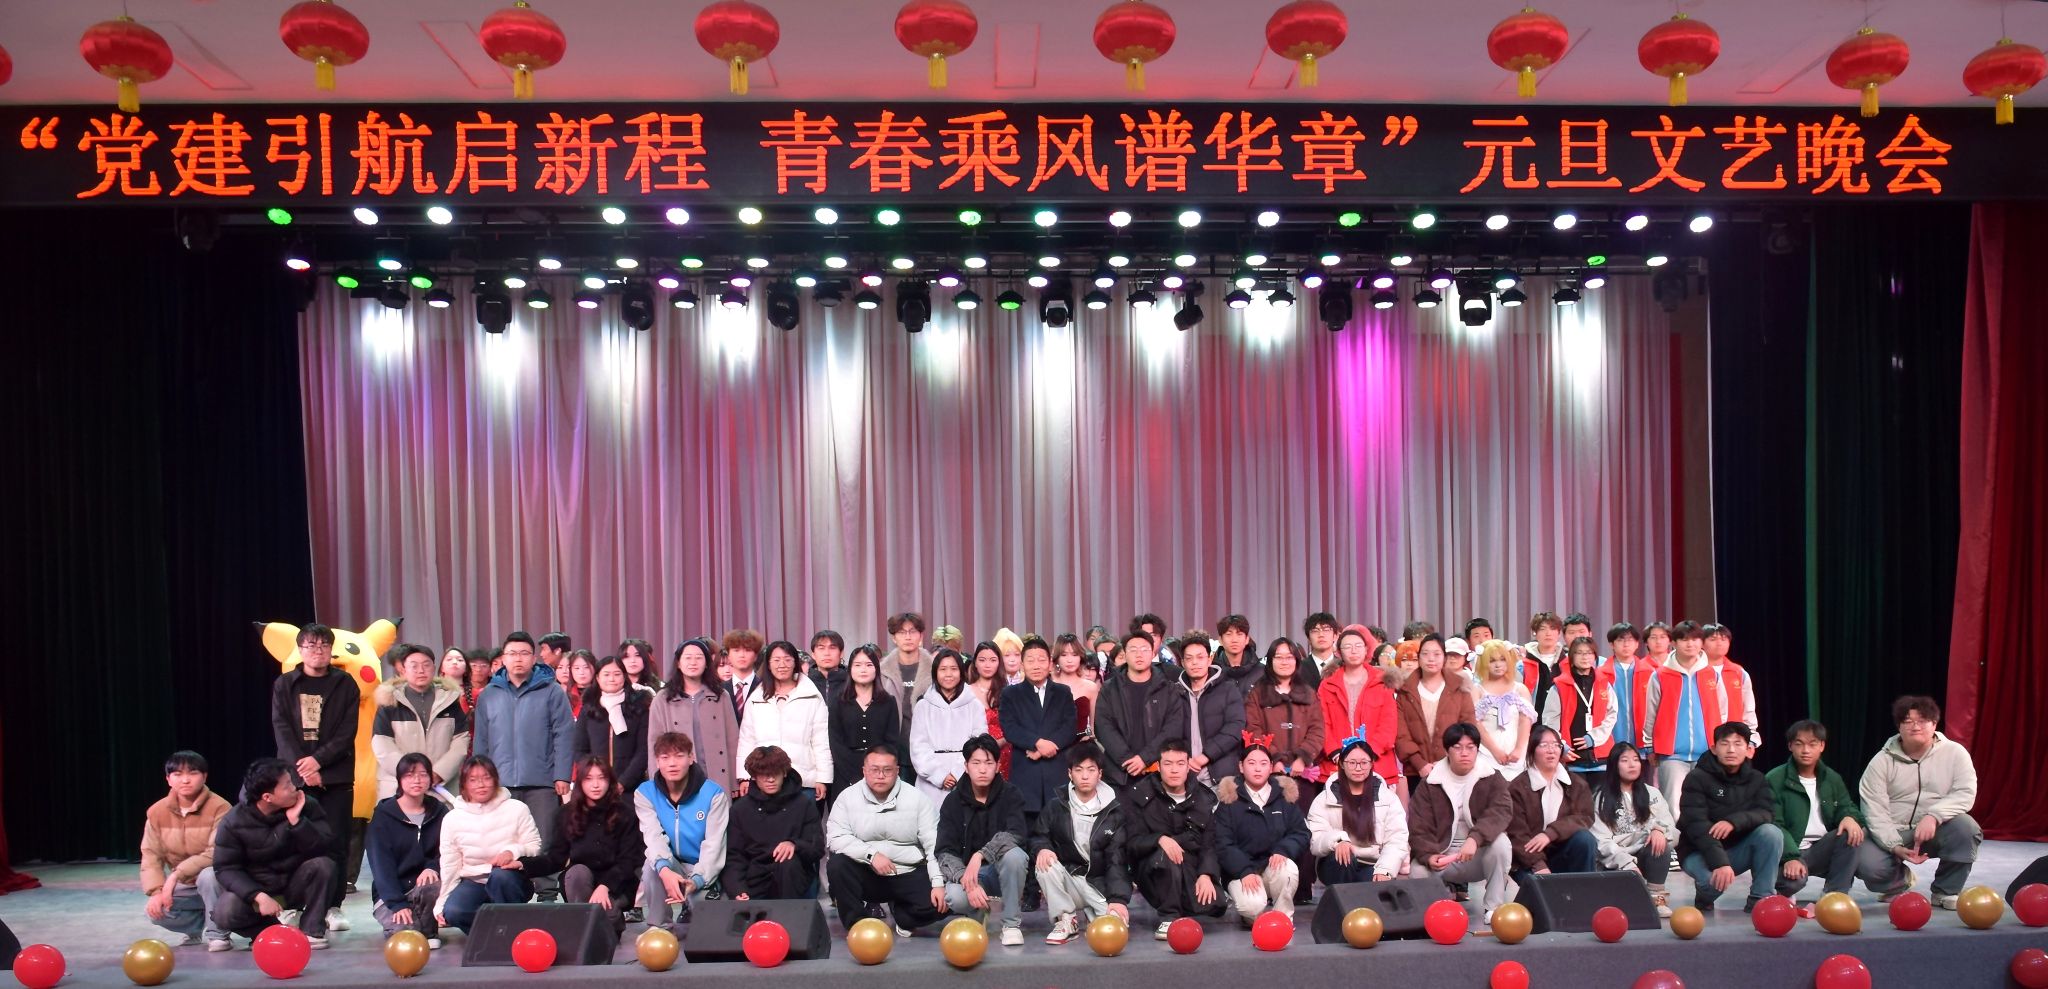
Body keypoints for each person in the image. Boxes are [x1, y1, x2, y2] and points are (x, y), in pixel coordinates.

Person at [267, 622, 359, 930]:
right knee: (293, 840)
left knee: (336, 841)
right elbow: (281, 729)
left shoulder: (345, 683)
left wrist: (318, 762)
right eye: (310, 645)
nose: (317, 650)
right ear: (300, 649)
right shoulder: (285, 684)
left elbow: (347, 731)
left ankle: (333, 906)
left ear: (331, 650)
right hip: (294, 779)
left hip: (336, 776)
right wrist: (303, 770)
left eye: (323, 645)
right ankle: (292, 904)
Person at [1858, 695, 1982, 910]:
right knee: (1863, 860)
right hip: (1893, 830)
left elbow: (1965, 792)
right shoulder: (1881, 761)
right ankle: (1899, 882)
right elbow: (1873, 809)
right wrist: (1894, 845)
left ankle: (1946, 891)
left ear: (1934, 724)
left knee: (1966, 828)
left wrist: (1934, 816)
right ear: (1899, 726)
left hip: (1936, 829)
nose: (1915, 726)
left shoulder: (1955, 753)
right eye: (1908, 721)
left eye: (1922, 720)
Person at [211, 758, 339, 949]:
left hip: (294, 884)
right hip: (258, 889)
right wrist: (259, 896)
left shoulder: (307, 805)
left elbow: (326, 848)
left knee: (324, 865)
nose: (295, 788)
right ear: (267, 797)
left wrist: (298, 823)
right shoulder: (233, 821)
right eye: (287, 785)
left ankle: (311, 931)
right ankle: (271, 932)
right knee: (225, 912)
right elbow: (226, 868)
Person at [470, 631, 576, 857]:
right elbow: (481, 739)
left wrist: (562, 775)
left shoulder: (552, 691)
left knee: (543, 841)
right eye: (512, 653)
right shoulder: (489, 694)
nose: (518, 658)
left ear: (534, 658)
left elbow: (564, 735)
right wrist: (479, 777)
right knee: (502, 841)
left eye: (524, 653)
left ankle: (546, 881)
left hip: (542, 782)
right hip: (500, 782)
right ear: (503, 658)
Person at [825, 746, 947, 937]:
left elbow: (934, 845)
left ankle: (904, 915)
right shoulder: (847, 798)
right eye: (874, 770)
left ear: (897, 771)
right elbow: (836, 837)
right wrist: (871, 855)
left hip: (908, 871)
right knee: (837, 865)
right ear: (864, 770)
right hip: (867, 872)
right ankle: (858, 926)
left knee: (945, 901)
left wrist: (938, 883)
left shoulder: (918, 799)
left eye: (887, 770)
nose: (880, 776)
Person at [1409, 723, 1516, 922]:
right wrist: (1428, 854)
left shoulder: (1492, 777)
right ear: (1447, 751)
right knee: (1417, 870)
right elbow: (1418, 826)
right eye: (1457, 747)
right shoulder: (1430, 783)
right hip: (1442, 855)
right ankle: (1435, 914)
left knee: (1501, 844)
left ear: (1477, 750)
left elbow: (1500, 812)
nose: (1464, 753)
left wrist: (1475, 839)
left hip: (1477, 853)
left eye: (1470, 747)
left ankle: (1493, 908)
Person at [525, 757, 642, 934]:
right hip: (580, 883)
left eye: (601, 778)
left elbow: (629, 860)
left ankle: (607, 920)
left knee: (607, 922)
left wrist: (605, 886)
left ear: (610, 781)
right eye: (589, 779)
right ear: (580, 782)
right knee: (577, 872)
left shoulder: (625, 813)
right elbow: (555, 859)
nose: (595, 785)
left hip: (617, 883)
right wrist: (523, 864)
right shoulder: (566, 813)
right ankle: (586, 923)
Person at [1678, 721, 1783, 912]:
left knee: (1771, 833)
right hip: (1698, 851)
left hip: (1737, 849)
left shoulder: (1757, 779)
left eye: (1737, 743)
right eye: (1725, 744)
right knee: (1712, 885)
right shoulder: (1696, 778)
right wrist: (1720, 863)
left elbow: (1766, 813)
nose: (1731, 750)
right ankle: (1704, 894)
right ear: (1714, 748)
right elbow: (1696, 825)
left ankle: (1761, 899)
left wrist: (1734, 822)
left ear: (1749, 749)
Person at [1032, 744, 1132, 945]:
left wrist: (1118, 900)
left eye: (1091, 770)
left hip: (1098, 885)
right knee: (1045, 864)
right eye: (1079, 770)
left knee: (1114, 930)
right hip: (1068, 879)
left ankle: (1092, 911)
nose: (1085, 776)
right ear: (1070, 774)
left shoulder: (1114, 812)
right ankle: (1066, 919)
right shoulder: (1056, 806)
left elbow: (1117, 859)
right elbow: (1038, 836)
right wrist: (1042, 848)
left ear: (1100, 774)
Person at [1124, 740, 1223, 938]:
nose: (1174, 770)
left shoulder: (1202, 798)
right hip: (1153, 868)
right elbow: (1131, 843)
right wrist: (1159, 839)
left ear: (1188, 766)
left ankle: (1182, 905)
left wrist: (1206, 874)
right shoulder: (1141, 794)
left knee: (1214, 903)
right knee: (1166, 854)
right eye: (1168, 764)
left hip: (1190, 865)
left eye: (1180, 763)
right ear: (1158, 766)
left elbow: (1209, 844)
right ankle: (1168, 917)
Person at [938, 735, 1030, 945]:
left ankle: (1011, 925)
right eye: (976, 763)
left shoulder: (1011, 794)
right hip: (969, 875)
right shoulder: (952, 801)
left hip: (1001, 873)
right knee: (954, 897)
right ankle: (978, 912)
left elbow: (1016, 834)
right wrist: (966, 880)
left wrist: (980, 855)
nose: (982, 770)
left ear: (997, 766)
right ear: (966, 767)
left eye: (988, 763)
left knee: (1015, 856)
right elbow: (944, 851)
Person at [433, 755, 541, 933]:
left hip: (510, 880)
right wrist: (441, 901)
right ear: (464, 784)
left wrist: (512, 852)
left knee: (500, 876)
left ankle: (512, 932)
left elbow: (534, 846)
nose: (481, 784)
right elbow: (450, 865)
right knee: (453, 911)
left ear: (495, 780)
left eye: (486, 778)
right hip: (474, 882)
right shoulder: (452, 819)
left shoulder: (516, 808)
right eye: (473, 780)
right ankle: (492, 936)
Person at [1767, 719, 1870, 905]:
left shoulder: (1831, 778)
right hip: (1790, 850)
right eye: (1799, 744)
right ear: (1790, 746)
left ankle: (1834, 897)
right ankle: (1782, 891)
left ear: (1822, 746)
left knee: (1851, 832)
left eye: (1812, 744)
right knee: (1792, 882)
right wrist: (1790, 857)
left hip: (1820, 849)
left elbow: (1846, 806)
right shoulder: (1775, 779)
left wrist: (1849, 817)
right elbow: (1774, 824)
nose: (1805, 750)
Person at [636, 732, 730, 928]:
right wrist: (665, 871)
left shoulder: (713, 794)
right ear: (657, 762)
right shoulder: (645, 793)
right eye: (665, 757)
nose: (672, 763)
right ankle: (659, 927)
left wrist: (696, 880)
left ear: (691, 758)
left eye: (679, 756)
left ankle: (692, 907)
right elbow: (653, 837)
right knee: (652, 866)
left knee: (712, 927)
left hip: (702, 869)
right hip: (671, 865)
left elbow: (714, 846)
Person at [142, 750, 231, 948]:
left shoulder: (220, 807)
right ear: (168, 779)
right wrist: (156, 892)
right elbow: (151, 855)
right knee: (155, 911)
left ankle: (218, 934)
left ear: (204, 777)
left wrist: (175, 876)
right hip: (186, 884)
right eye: (177, 774)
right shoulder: (157, 812)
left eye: (192, 773)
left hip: (219, 880)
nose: (185, 780)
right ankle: (196, 927)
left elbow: (216, 853)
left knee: (208, 876)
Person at [1213, 743, 1310, 922]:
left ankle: (1283, 919)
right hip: (1241, 873)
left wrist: (1283, 850)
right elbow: (1222, 843)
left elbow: (1301, 833)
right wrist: (1244, 870)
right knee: (1251, 907)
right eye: (1251, 763)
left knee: (1287, 869)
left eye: (1263, 763)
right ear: (1241, 766)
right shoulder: (1229, 800)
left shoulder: (1283, 797)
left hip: (1272, 868)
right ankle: (1254, 918)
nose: (1258, 769)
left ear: (1271, 767)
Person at [721, 746, 825, 901]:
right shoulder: (740, 809)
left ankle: (789, 914)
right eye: (764, 774)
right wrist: (737, 889)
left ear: (784, 773)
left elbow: (817, 847)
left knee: (788, 860)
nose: (770, 779)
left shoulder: (803, 804)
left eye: (775, 773)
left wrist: (794, 844)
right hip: (754, 880)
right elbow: (734, 856)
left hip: (793, 880)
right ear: (754, 776)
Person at [999, 635, 1079, 829]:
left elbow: (1070, 726)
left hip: (1057, 771)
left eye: (1041, 660)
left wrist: (1048, 747)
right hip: (1025, 773)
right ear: (1022, 664)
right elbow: (1009, 728)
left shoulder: (1063, 692)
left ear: (1050, 663)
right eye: (1030, 660)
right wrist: (1037, 743)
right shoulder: (1010, 694)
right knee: (1026, 833)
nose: (1036, 665)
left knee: (1060, 831)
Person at [366, 753, 446, 946]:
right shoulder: (384, 816)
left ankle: (429, 931)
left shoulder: (440, 812)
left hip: (423, 890)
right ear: (400, 780)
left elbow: (449, 850)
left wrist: (433, 867)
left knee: (433, 883)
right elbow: (381, 865)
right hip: (392, 894)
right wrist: (397, 903)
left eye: (423, 774)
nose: (417, 780)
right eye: (409, 775)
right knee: (406, 939)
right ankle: (408, 924)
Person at [1306, 736, 1409, 886]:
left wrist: (1385, 870)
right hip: (1337, 861)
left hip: (1374, 863)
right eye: (1352, 763)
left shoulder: (1388, 798)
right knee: (1343, 858)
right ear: (1342, 764)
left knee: (1372, 887)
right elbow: (1316, 837)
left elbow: (1397, 838)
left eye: (1364, 763)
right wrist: (1338, 841)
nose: (1358, 768)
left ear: (1371, 764)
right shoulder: (1325, 798)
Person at [736, 641, 832, 800]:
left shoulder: (812, 696)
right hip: (764, 778)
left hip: (803, 780)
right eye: (776, 660)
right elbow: (747, 739)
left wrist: (823, 778)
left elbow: (821, 740)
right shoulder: (756, 698)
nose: (782, 665)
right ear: (768, 664)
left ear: (795, 663)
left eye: (787, 660)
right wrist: (744, 776)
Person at [372, 644, 470, 800]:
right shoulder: (390, 701)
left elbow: (461, 740)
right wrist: (410, 774)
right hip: (397, 789)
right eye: (414, 666)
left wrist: (438, 772)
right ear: (404, 670)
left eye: (426, 665)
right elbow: (382, 744)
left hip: (441, 789)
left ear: (434, 668)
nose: (421, 670)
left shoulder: (450, 700)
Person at [1095, 630, 1189, 789]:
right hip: (1118, 773)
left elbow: (1173, 728)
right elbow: (1103, 727)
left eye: (1144, 649)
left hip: (1157, 772)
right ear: (1124, 654)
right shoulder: (1110, 688)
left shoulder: (1168, 689)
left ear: (1153, 653)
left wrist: (1145, 758)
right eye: (1133, 650)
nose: (1139, 654)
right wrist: (1127, 759)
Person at [1590, 743, 1676, 916]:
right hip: (1615, 860)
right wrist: (1626, 863)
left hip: (1643, 851)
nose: (1632, 765)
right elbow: (1601, 842)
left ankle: (1657, 899)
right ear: (1614, 765)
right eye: (1625, 760)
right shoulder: (1600, 798)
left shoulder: (1652, 793)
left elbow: (1669, 824)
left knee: (1661, 844)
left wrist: (1658, 830)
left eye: (1636, 760)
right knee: (1625, 909)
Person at [1642, 621, 1718, 811]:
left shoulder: (1712, 674)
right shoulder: (1660, 675)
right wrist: (1649, 745)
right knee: (1673, 807)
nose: (1690, 644)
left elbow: (1722, 712)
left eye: (1695, 639)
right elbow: (1651, 712)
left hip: (1708, 752)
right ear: (1674, 643)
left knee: (1708, 805)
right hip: (1672, 753)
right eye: (1684, 640)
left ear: (1701, 642)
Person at [1505, 725, 1598, 877]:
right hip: (1527, 859)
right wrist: (1538, 865)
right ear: (1532, 750)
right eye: (1544, 745)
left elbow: (1584, 817)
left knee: (1585, 839)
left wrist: (1550, 834)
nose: (1551, 750)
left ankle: (1584, 889)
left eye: (1556, 745)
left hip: (1562, 854)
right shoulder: (1518, 787)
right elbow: (1517, 835)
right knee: (1541, 889)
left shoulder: (1576, 784)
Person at [649, 638, 739, 793]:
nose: (693, 662)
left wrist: (734, 781)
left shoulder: (721, 696)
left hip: (717, 775)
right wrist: (656, 781)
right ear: (678, 663)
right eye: (688, 658)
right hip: (678, 778)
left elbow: (733, 741)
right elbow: (654, 744)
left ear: (707, 663)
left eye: (698, 658)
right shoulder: (663, 699)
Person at [1318, 626, 1399, 795]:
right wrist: (1336, 752)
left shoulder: (1382, 682)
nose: (1353, 651)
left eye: (1358, 646)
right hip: (1337, 763)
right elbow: (1321, 723)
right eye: (1347, 647)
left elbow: (1389, 725)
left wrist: (1368, 753)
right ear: (1339, 652)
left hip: (1377, 763)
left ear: (1366, 649)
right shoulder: (1327, 685)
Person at [1396, 634, 1477, 796]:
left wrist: (1448, 762)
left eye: (1437, 654)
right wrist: (1420, 764)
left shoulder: (1459, 688)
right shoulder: (1405, 690)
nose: (1431, 659)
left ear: (1444, 658)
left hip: (1453, 769)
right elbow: (1400, 734)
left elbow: (1468, 727)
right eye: (1425, 654)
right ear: (1419, 658)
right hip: (1416, 771)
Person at [910, 649, 988, 806]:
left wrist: (958, 773)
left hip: (966, 778)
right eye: (943, 669)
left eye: (953, 669)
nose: (948, 674)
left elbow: (979, 744)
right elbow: (918, 747)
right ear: (935, 673)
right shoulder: (923, 706)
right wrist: (939, 775)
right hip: (929, 783)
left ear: (961, 672)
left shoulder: (974, 706)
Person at [829, 644, 902, 806]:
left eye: (869, 665)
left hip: (880, 773)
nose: (863, 669)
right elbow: (836, 742)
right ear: (850, 669)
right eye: (858, 665)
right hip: (844, 773)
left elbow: (891, 742)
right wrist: (854, 776)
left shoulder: (888, 702)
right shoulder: (838, 701)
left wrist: (876, 772)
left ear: (876, 669)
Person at [1542, 636, 1618, 788]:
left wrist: (1593, 738)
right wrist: (1561, 746)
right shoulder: (1559, 686)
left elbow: (1611, 715)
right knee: (1576, 801)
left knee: (1600, 801)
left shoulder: (1604, 683)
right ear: (1571, 657)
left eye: (1589, 653)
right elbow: (1550, 722)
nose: (1585, 657)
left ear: (1595, 656)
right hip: (1571, 759)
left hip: (1601, 757)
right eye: (1579, 653)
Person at [1176, 632, 1247, 788]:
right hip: (1183, 776)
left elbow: (1235, 727)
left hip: (1222, 778)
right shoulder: (1175, 692)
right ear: (1182, 663)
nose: (1195, 662)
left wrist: (1206, 755)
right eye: (1189, 658)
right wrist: (1182, 759)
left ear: (1209, 659)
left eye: (1200, 657)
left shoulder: (1228, 689)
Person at [573, 655, 650, 788]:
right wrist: (594, 777)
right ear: (597, 678)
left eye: (617, 674)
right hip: (595, 786)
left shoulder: (639, 708)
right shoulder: (589, 709)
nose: (612, 679)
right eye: (606, 674)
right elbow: (579, 750)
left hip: (631, 786)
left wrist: (623, 782)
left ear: (624, 677)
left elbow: (643, 751)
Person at [1473, 640, 1537, 779]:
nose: (1498, 665)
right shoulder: (1477, 690)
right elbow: (1476, 724)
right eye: (1492, 661)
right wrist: (1495, 751)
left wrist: (1518, 750)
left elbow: (1525, 722)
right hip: (1485, 754)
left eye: (1502, 659)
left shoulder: (1520, 689)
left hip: (1517, 754)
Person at [880, 612, 935, 729]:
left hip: (927, 735)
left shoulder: (935, 669)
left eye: (913, 631)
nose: (908, 637)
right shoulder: (883, 672)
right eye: (902, 632)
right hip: (892, 736)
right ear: (894, 638)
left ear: (921, 636)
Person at [1052, 633, 1099, 737]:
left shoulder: (1090, 687)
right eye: (1064, 655)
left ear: (1080, 657)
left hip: (1082, 743)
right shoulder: (1048, 686)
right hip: (1053, 743)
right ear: (1057, 658)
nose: (1069, 660)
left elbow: (1093, 727)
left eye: (1074, 655)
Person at [1520, 612, 1565, 715]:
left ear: (1559, 633)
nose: (1548, 633)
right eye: (1542, 629)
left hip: (1561, 719)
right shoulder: (1522, 664)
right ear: (1534, 633)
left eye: (1552, 628)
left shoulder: (1567, 662)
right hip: (1532, 719)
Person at [720, 629, 765, 722]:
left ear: (756, 656)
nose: (742, 655)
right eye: (736, 650)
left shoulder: (765, 687)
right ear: (728, 655)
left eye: (748, 650)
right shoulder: (719, 689)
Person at [1214, 614, 1262, 690]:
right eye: (1229, 634)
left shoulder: (1261, 671)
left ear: (1247, 639)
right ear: (1220, 640)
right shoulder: (1213, 672)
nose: (1234, 640)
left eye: (1239, 634)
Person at [808, 630, 849, 701]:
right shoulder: (804, 681)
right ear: (813, 654)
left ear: (841, 653)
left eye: (832, 648)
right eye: (821, 648)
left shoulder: (852, 681)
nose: (827, 653)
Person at [1301, 611, 1340, 682]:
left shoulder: (1343, 666)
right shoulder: (1299, 668)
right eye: (1315, 631)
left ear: (1335, 636)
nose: (1321, 635)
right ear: (1309, 639)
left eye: (1326, 630)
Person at [562, 650, 598, 721]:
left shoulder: (601, 694)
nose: (581, 672)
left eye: (586, 667)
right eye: (577, 668)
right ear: (571, 670)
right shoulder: (564, 695)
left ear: (594, 668)